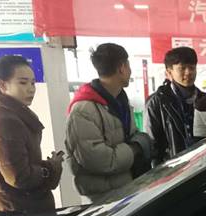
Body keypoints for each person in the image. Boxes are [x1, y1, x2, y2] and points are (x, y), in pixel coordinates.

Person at [0, 55, 63, 216]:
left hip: (17, 205)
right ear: (2, 85)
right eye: (23, 83)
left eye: (32, 83)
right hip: (17, 212)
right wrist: (50, 168)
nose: (31, 89)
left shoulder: (12, 114)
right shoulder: (6, 121)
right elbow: (18, 177)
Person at [65, 43, 153, 201]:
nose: (130, 71)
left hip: (126, 189)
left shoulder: (120, 101)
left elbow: (131, 136)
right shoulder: (83, 111)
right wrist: (135, 147)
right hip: (103, 198)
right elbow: (101, 161)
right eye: (128, 66)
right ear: (122, 68)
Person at [145, 46, 204, 164]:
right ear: (169, 72)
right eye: (182, 68)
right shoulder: (157, 102)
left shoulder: (204, 99)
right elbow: (153, 146)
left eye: (192, 67)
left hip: (202, 164)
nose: (188, 72)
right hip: (172, 168)